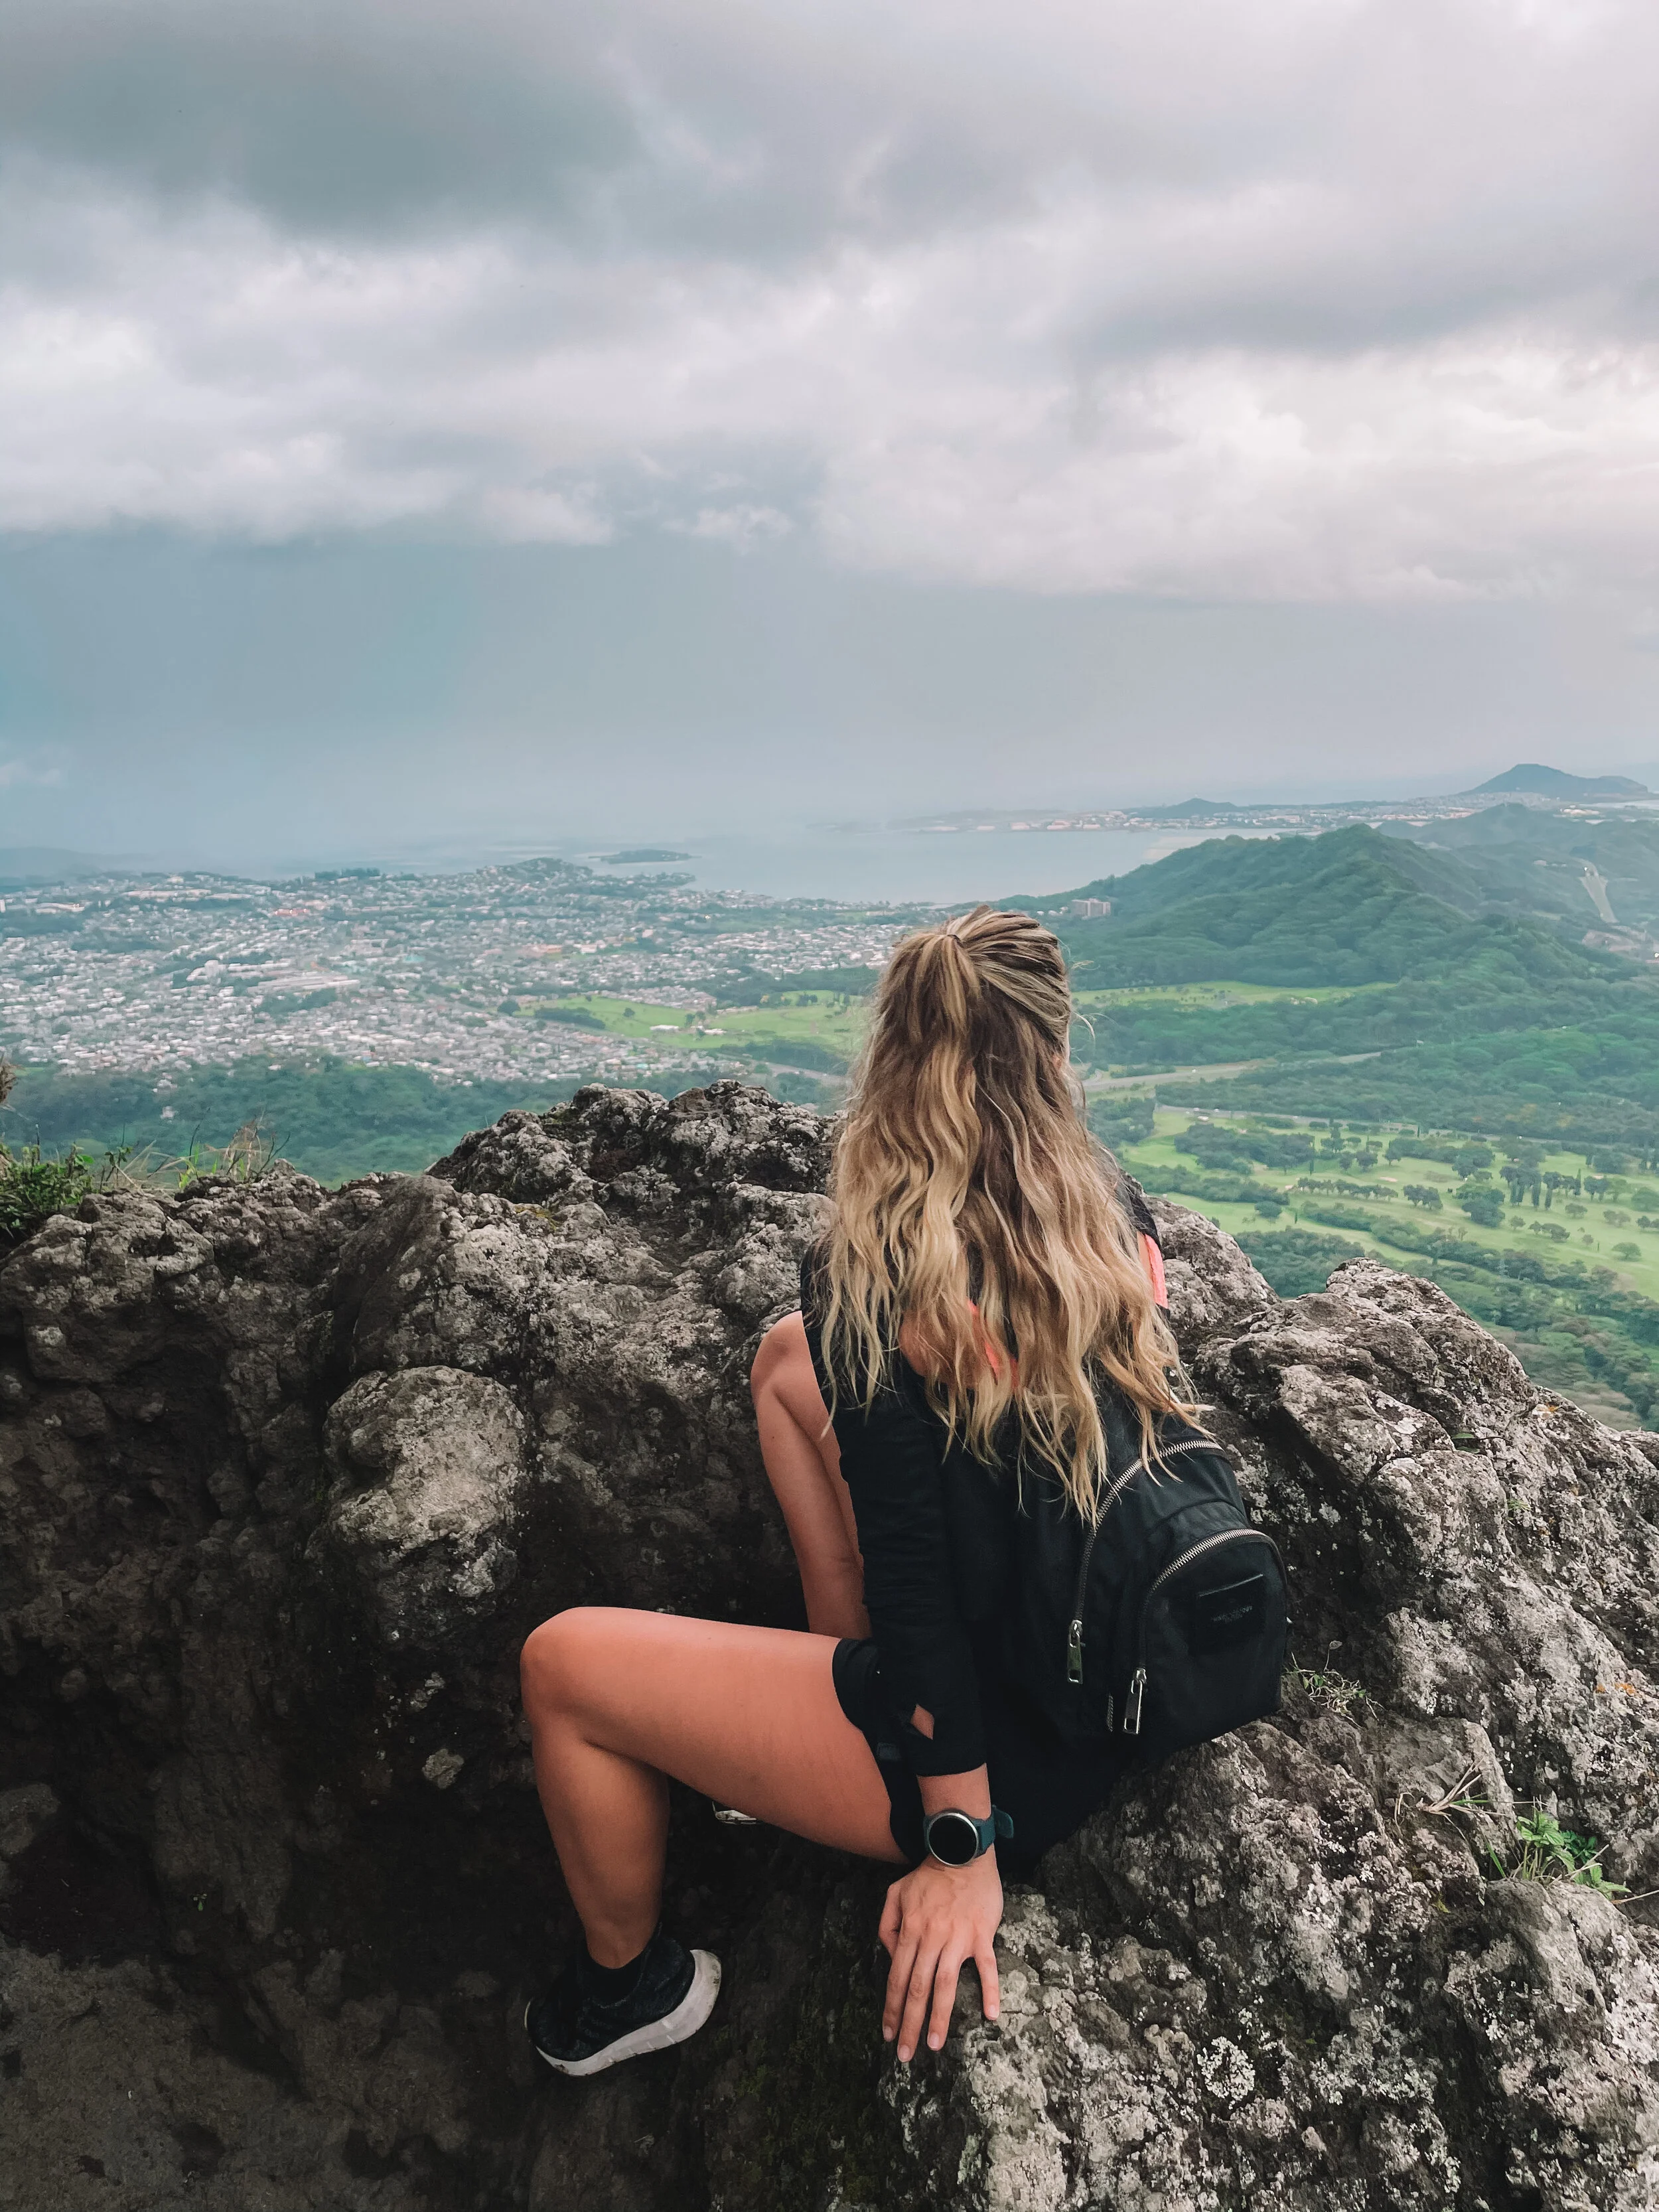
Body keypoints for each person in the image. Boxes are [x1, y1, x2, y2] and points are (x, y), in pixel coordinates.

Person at [519, 905, 1186, 2079]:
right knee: (787, 1361)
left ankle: (627, 1992)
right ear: (1054, 1043)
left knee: (561, 1665)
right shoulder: (1105, 1207)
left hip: (1015, 1748)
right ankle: (830, 1675)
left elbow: (921, 1586)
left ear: (896, 1052)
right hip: (1118, 1648)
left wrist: (958, 1844)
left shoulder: (877, 1271)